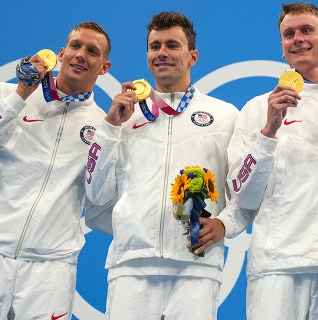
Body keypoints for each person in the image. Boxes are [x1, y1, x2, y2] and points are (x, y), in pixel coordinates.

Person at [193, 3, 318, 319]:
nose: (298, 39)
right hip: (277, 270)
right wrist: (269, 130)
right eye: (289, 34)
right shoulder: (257, 108)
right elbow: (243, 196)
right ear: (281, 47)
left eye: (307, 30)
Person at [0, 22, 112, 319]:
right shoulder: (8, 94)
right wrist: (19, 96)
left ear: (104, 67)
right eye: (75, 46)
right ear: (61, 53)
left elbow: (102, 198)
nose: (80, 55)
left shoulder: (104, 128)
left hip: (50, 269)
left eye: (92, 51)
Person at [84, 11, 238, 320]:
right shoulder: (124, 117)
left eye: (172, 45)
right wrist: (110, 128)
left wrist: (225, 224)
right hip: (131, 266)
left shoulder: (225, 116)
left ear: (192, 56)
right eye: (155, 46)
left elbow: (242, 192)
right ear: (147, 55)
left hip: (197, 266)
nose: (162, 53)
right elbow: (96, 193)